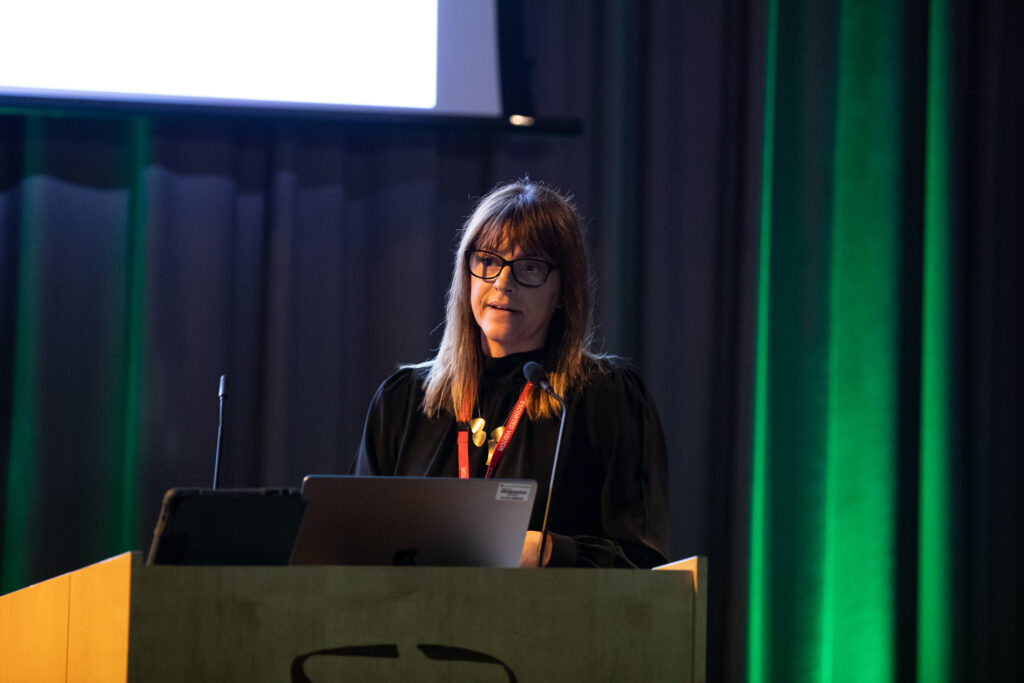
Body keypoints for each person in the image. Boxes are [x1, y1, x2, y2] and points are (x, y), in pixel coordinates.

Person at [351, 180, 670, 568]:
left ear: (563, 291)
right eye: (488, 261)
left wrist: (553, 551)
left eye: (529, 268)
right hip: (417, 626)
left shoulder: (605, 398)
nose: (503, 283)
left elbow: (642, 563)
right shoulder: (403, 401)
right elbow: (356, 549)